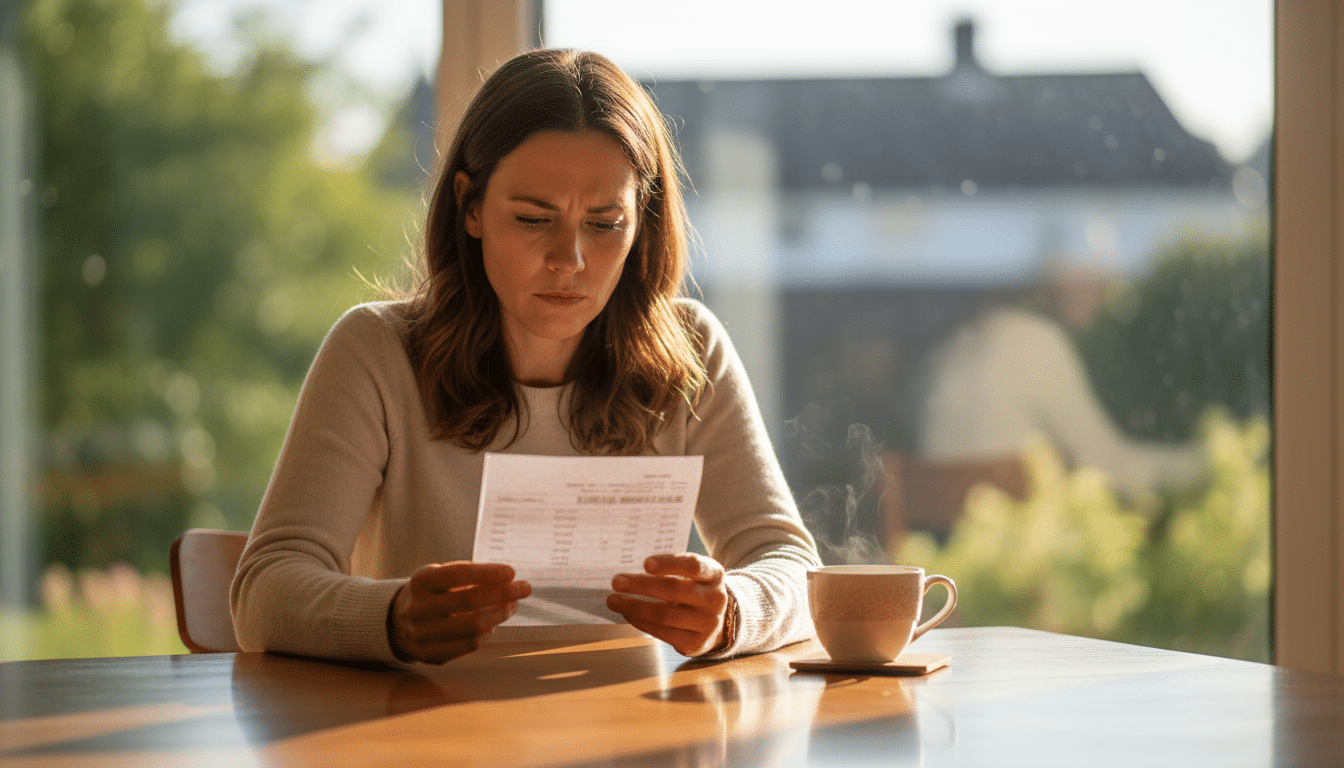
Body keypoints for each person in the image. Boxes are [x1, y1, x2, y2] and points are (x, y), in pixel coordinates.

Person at [230, 49, 821, 666]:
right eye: (534, 219)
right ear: (471, 207)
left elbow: (792, 568)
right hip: (428, 740)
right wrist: (391, 618)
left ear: (641, 223)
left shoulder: (689, 352)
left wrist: (730, 612)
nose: (569, 259)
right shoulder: (377, 352)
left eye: (604, 224)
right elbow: (264, 589)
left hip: (634, 739)